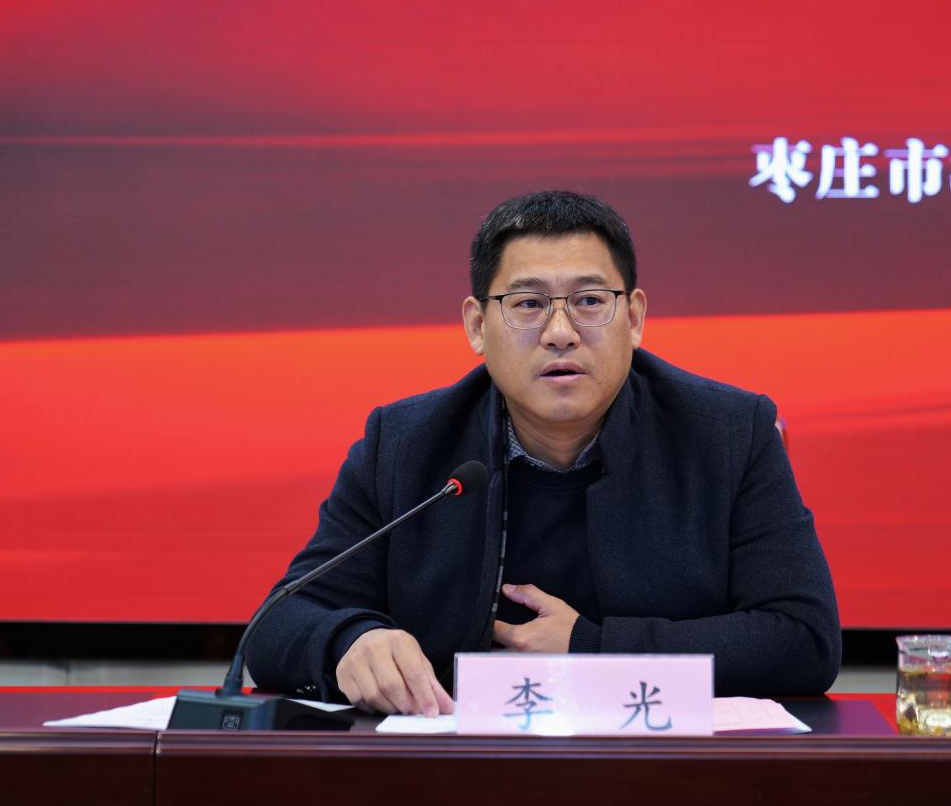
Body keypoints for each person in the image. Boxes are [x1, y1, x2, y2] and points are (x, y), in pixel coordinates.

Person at [245, 191, 840, 716]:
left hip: (659, 766)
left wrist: (592, 648)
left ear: (634, 318)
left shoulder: (729, 433)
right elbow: (280, 621)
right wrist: (348, 641)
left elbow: (802, 640)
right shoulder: (404, 444)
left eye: (590, 301)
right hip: (456, 771)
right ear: (477, 326)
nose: (560, 332)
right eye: (528, 304)